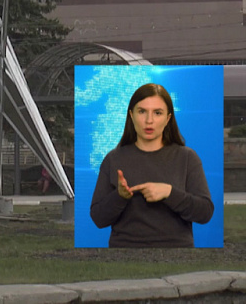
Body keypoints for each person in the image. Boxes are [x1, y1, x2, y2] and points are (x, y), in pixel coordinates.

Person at [89, 83, 214, 248]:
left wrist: (169, 193)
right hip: (124, 252)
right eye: (142, 111)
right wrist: (120, 196)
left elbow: (205, 212)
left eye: (157, 113)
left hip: (177, 252)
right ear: (131, 115)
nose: (149, 120)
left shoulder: (187, 157)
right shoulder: (113, 159)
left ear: (168, 118)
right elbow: (98, 218)